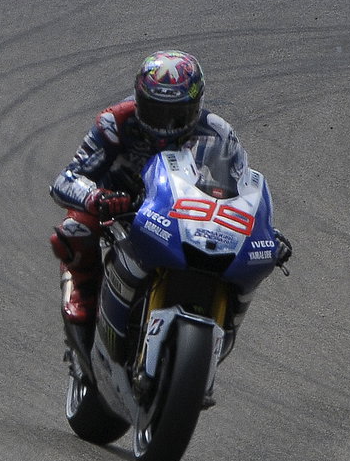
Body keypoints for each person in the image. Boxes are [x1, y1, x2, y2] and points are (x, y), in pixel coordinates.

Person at [47, 50, 291, 325]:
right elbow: (65, 179)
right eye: (154, 111)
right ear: (139, 101)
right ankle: (83, 292)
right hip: (120, 208)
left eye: (176, 114)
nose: (163, 125)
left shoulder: (217, 132)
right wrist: (97, 197)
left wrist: (267, 233)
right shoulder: (115, 122)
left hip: (181, 215)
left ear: (196, 106)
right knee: (73, 228)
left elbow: (245, 190)